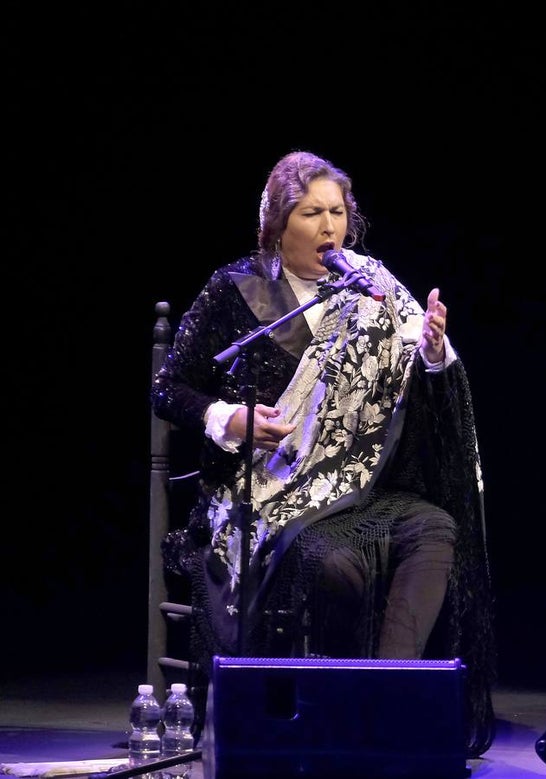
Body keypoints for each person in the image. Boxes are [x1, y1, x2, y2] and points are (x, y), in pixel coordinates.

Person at [152, 150, 496, 756]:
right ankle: (332, 719)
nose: (330, 227)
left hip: (354, 487)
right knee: (338, 568)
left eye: (337, 212)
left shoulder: (374, 284)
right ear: (278, 224)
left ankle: (385, 700)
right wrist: (228, 417)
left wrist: (434, 354)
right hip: (265, 492)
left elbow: (422, 385)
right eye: (312, 213)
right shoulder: (237, 291)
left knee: (435, 528)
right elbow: (168, 387)